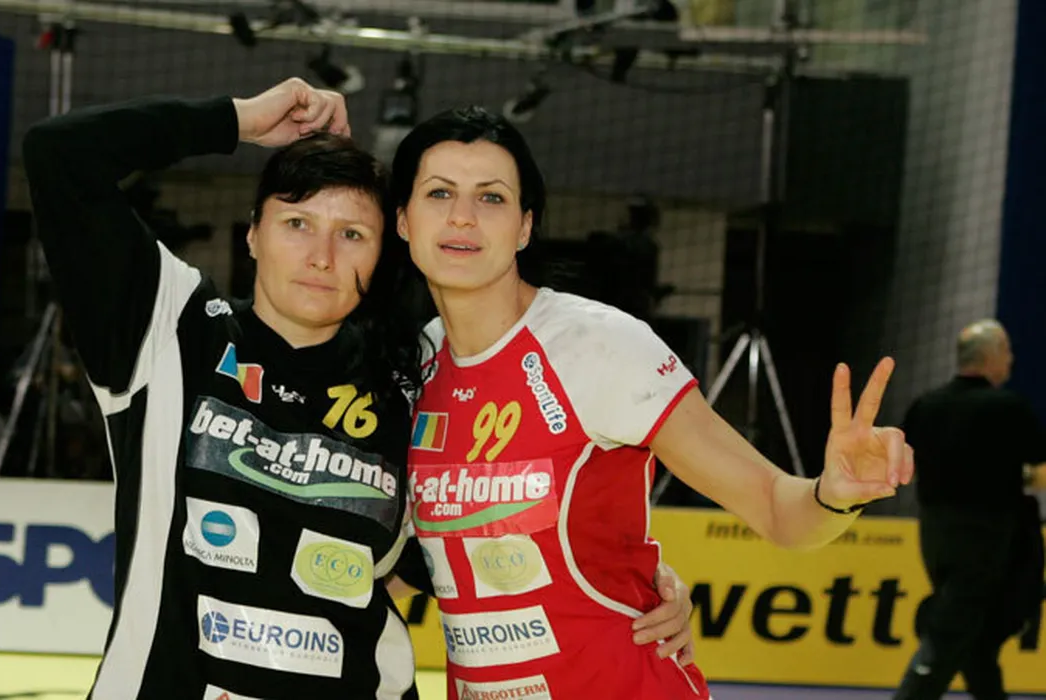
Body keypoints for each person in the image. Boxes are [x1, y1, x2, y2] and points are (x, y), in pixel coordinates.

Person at [22, 78, 694, 699]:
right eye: (297, 224)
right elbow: (59, 153)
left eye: (352, 235)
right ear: (252, 233)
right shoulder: (169, 327)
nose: (322, 257)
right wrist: (239, 120)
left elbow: (477, 541)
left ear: (382, 252)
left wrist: (642, 587)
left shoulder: (412, 380)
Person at [390, 106, 915, 699]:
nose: (462, 216)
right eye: (439, 193)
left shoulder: (597, 344)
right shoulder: (413, 366)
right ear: (403, 220)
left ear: (525, 227)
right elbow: (403, 561)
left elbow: (774, 504)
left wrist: (833, 494)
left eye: (491, 198)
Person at [892, 320, 1046, 700]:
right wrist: (1018, 476)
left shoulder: (926, 406)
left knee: (976, 631)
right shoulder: (1006, 408)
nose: (1011, 358)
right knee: (953, 629)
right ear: (991, 355)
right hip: (987, 536)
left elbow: (904, 467)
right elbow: (1040, 470)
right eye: (1007, 350)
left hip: (934, 534)